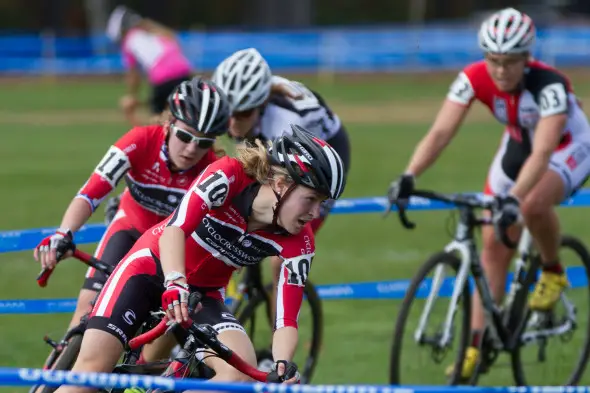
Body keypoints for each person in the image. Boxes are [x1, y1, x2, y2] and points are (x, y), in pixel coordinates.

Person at [52, 125, 346, 393]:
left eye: (322, 203)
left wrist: (282, 362)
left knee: (239, 376)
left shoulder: (301, 240)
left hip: (204, 295)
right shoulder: (230, 175)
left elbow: (286, 318)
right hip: (151, 267)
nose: (315, 213)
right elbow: (175, 229)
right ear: (281, 184)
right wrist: (176, 281)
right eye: (311, 199)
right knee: (91, 374)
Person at [386, 7, 590, 380]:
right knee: (493, 246)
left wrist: (513, 199)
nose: (500, 70)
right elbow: (440, 133)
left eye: (509, 62)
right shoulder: (473, 77)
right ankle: (474, 348)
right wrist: (408, 175)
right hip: (515, 146)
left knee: (530, 203)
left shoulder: (550, 86)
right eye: (493, 60)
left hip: (567, 147)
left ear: (527, 58)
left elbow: (544, 152)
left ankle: (553, 270)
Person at [33, 77, 231, 366]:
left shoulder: (214, 170)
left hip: (168, 253)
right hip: (128, 231)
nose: (191, 149)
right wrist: (64, 233)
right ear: (168, 124)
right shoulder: (139, 140)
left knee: (165, 332)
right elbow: (90, 194)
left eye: (203, 143)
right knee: (82, 316)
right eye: (185, 136)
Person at [212, 48, 351, 344]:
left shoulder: (283, 122)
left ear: (260, 105)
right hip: (270, 138)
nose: (233, 124)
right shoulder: (246, 103)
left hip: (325, 155)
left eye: (243, 114)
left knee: (279, 255)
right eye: (228, 114)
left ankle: (280, 343)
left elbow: (276, 184)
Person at [105, 5, 193, 126]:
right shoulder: (153, 32)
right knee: (187, 116)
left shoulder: (128, 42)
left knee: (157, 124)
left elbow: (133, 75)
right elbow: (174, 39)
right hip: (183, 72)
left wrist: (131, 96)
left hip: (163, 79)